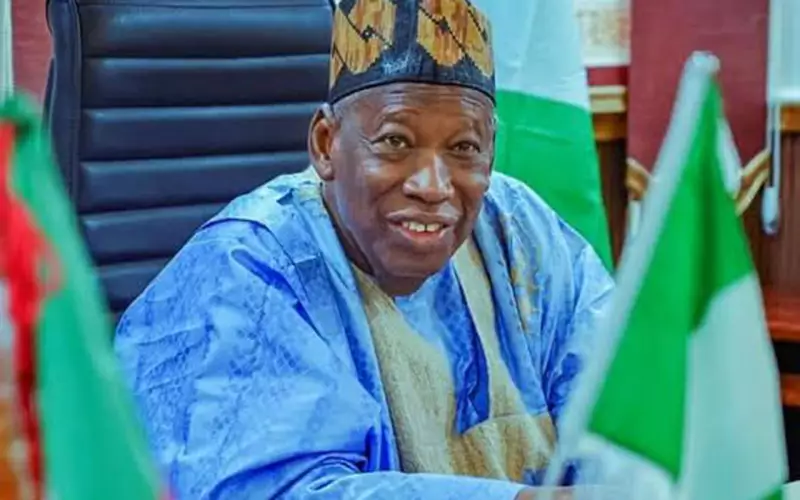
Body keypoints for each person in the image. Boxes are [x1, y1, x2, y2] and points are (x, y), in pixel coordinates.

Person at [114, 0, 614, 498]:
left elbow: (622, 409)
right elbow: (277, 491)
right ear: (325, 143)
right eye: (395, 141)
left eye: (464, 147)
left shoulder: (518, 228)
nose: (433, 185)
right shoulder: (246, 270)